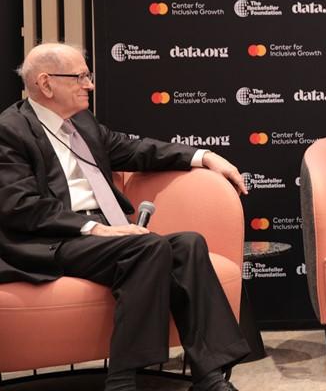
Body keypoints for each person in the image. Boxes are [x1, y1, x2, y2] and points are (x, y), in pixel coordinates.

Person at [0, 43, 250, 391]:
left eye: (88, 75)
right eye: (80, 77)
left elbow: (137, 150)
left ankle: (208, 375)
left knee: (189, 244)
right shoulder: (10, 130)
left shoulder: (82, 124)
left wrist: (204, 156)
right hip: (52, 240)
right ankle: (121, 381)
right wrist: (94, 228)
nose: (89, 84)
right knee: (147, 248)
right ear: (45, 83)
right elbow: (19, 205)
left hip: (101, 237)